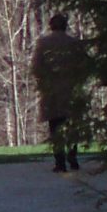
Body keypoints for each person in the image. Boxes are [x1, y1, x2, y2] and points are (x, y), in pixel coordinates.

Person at [32, 13, 90, 172]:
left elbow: (36, 67)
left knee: (55, 125)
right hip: (71, 89)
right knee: (71, 124)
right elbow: (86, 65)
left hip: (52, 91)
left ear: (51, 26)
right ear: (66, 25)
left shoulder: (43, 44)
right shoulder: (74, 44)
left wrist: (45, 80)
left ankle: (59, 161)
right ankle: (73, 157)